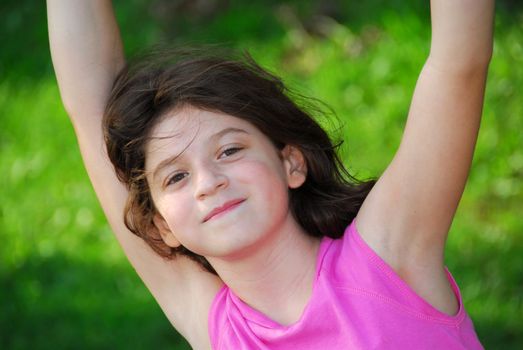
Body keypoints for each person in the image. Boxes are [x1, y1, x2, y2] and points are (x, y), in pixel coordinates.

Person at [47, 0, 494, 348]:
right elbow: (90, 106)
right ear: (163, 227)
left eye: (229, 149)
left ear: (290, 163)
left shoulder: (390, 255)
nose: (209, 181)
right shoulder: (216, 328)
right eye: (176, 178)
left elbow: (459, 62)